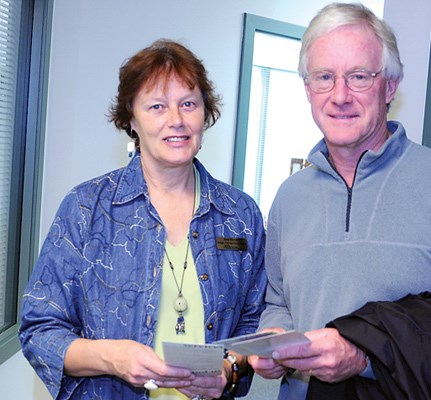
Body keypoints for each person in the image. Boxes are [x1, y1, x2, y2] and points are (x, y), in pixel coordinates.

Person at [249, 3, 431, 399]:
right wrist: (273, 340)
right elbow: (278, 304)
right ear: (308, 89)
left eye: (358, 76)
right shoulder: (290, 197)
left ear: (390, 86)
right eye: (324, 77)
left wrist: (366, 356)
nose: (339, 96)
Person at [19, 39, 267, 400]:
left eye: (188, 104)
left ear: (205, 113)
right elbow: (40, 329)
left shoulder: (240, 215)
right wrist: (110, 358)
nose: (176, 120)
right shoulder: (87, 208)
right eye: (156, 106)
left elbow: (254, 323)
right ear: (131, 119)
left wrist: (229, 368)